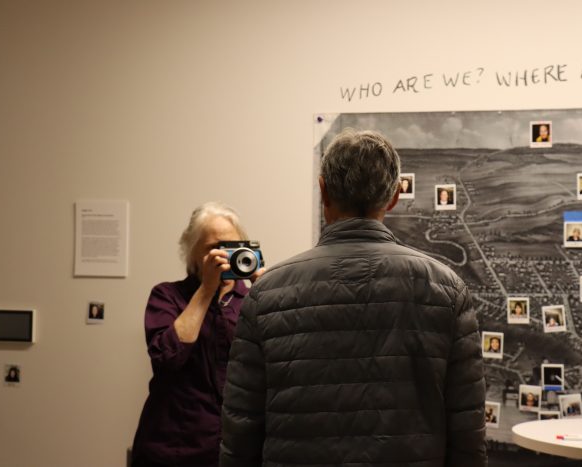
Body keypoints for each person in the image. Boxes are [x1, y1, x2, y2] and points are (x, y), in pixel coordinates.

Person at [220, 129, 487, 466]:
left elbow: (240, 431)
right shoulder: (447, 289)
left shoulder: (265, 293)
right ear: (393, 198)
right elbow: (467, 432)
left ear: (323, 191)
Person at [131, 202, 263, 467]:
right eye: (214, 248)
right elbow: (165, 359)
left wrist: (265, 292)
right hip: (174, 446)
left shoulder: (253, 300)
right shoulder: (167, 296)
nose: (224, 257)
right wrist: (206, 290)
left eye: (232, 247)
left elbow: (277, 365)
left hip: (237, 447)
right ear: (193, 253)